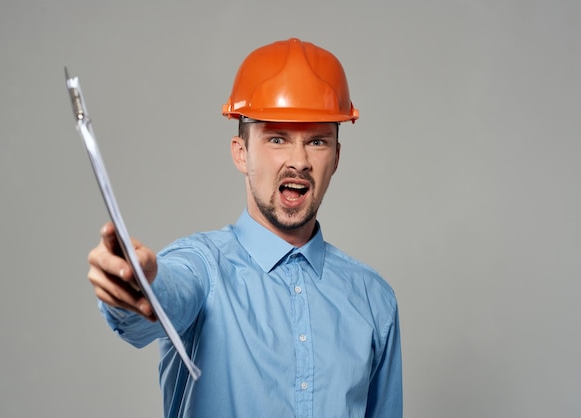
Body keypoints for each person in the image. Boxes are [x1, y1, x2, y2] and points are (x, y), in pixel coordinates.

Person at [87, 38, 403, 417]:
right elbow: (164, 299)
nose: (298, 161)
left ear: (335, 157)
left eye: (317, 141)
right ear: (241, 152)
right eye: (277, 139)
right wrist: (140, 288)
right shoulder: (202, 268)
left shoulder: (374, 300)